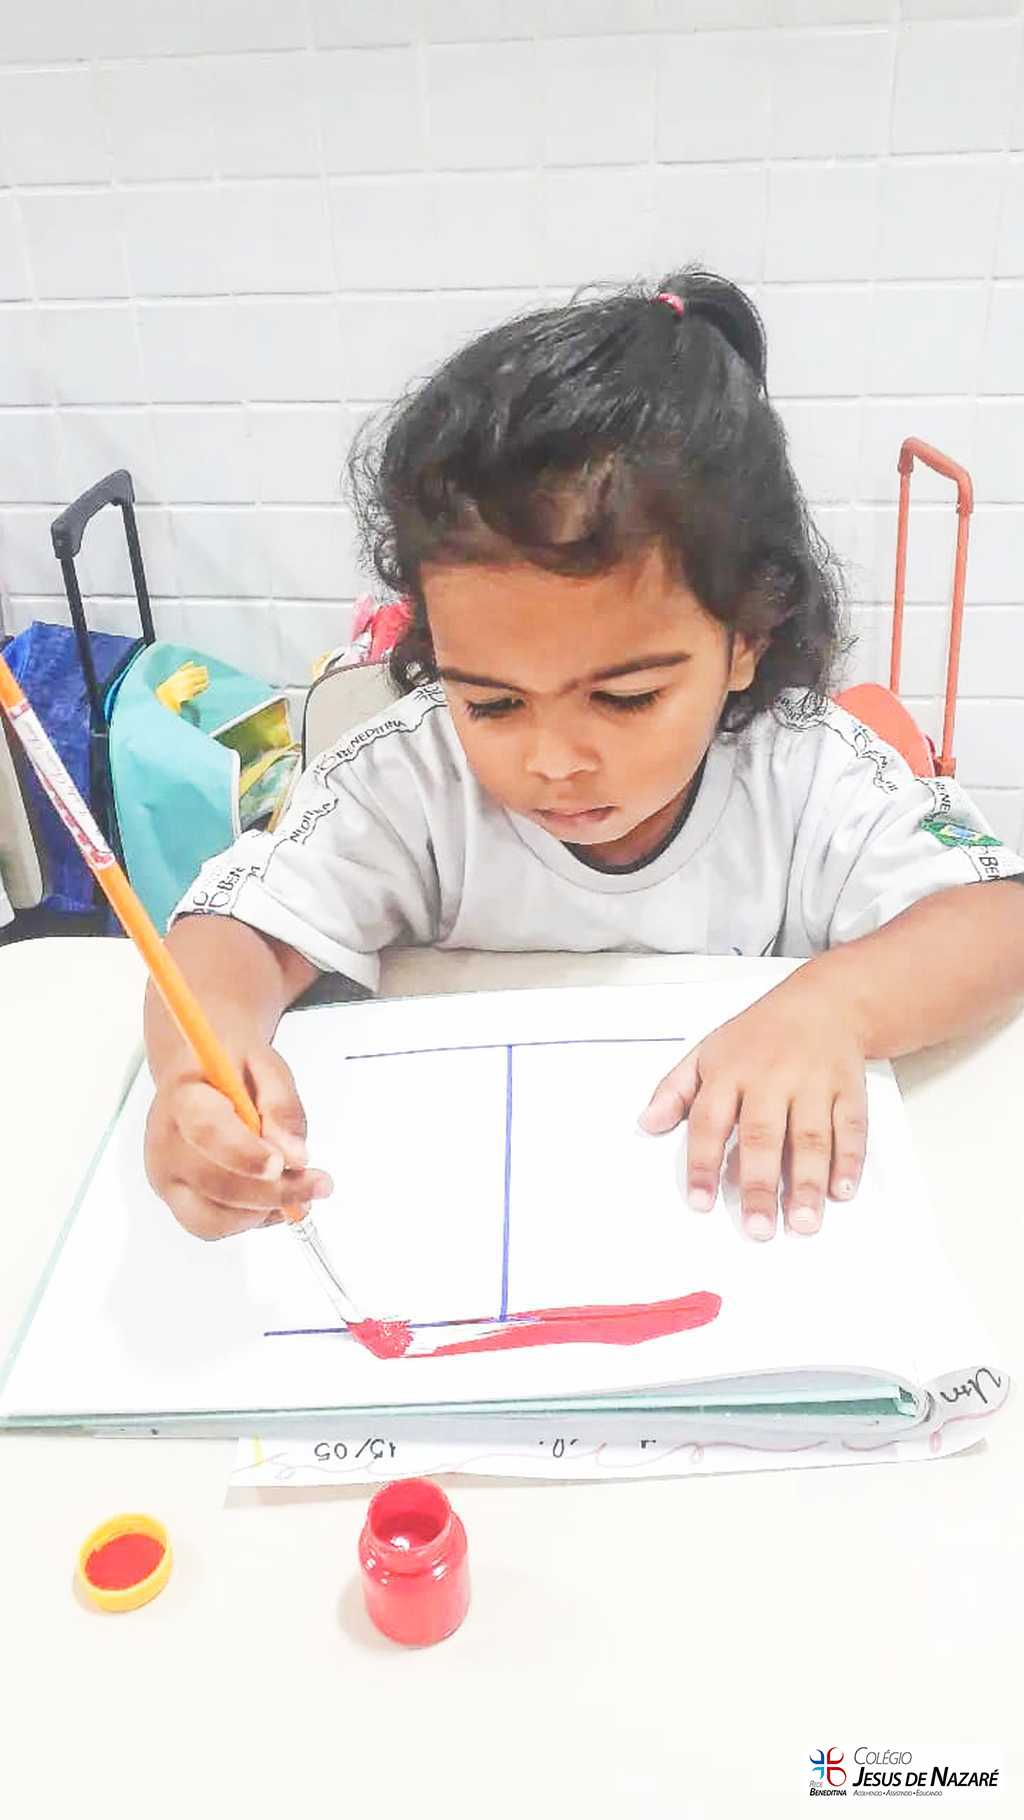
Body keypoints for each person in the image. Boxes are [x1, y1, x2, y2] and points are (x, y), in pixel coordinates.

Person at [144, 268, 1024, 1246]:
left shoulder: (806, 772)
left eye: (625, 696)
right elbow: (233, 933)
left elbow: (997, 919)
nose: (555, 760)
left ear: (745, 637)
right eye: (492, 701)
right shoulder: (412, 778)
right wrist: (199, 1070)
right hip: (466, 1201)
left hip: (724, 1229)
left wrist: (833, 1008)